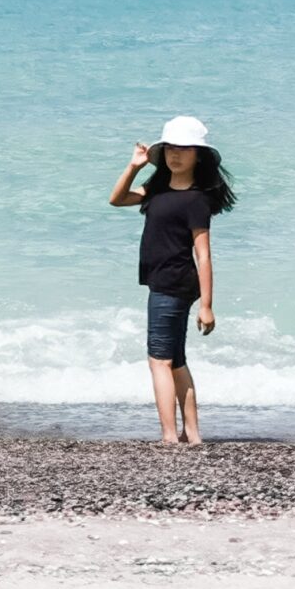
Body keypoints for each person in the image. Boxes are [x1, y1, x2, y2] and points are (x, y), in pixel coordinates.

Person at [108, 116, 236, 445]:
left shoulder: (196, 199)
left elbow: (203, 254)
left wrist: (207, 305)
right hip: (163, 281)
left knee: (158, 360)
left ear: (198, 155)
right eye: (169, 149)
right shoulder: (158, 188)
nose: (175, 155)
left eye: (183, 149)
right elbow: (117, 199)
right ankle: (191, 433)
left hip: (174, 283)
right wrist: (135, 165)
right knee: (175, 361)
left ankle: (168, 436)